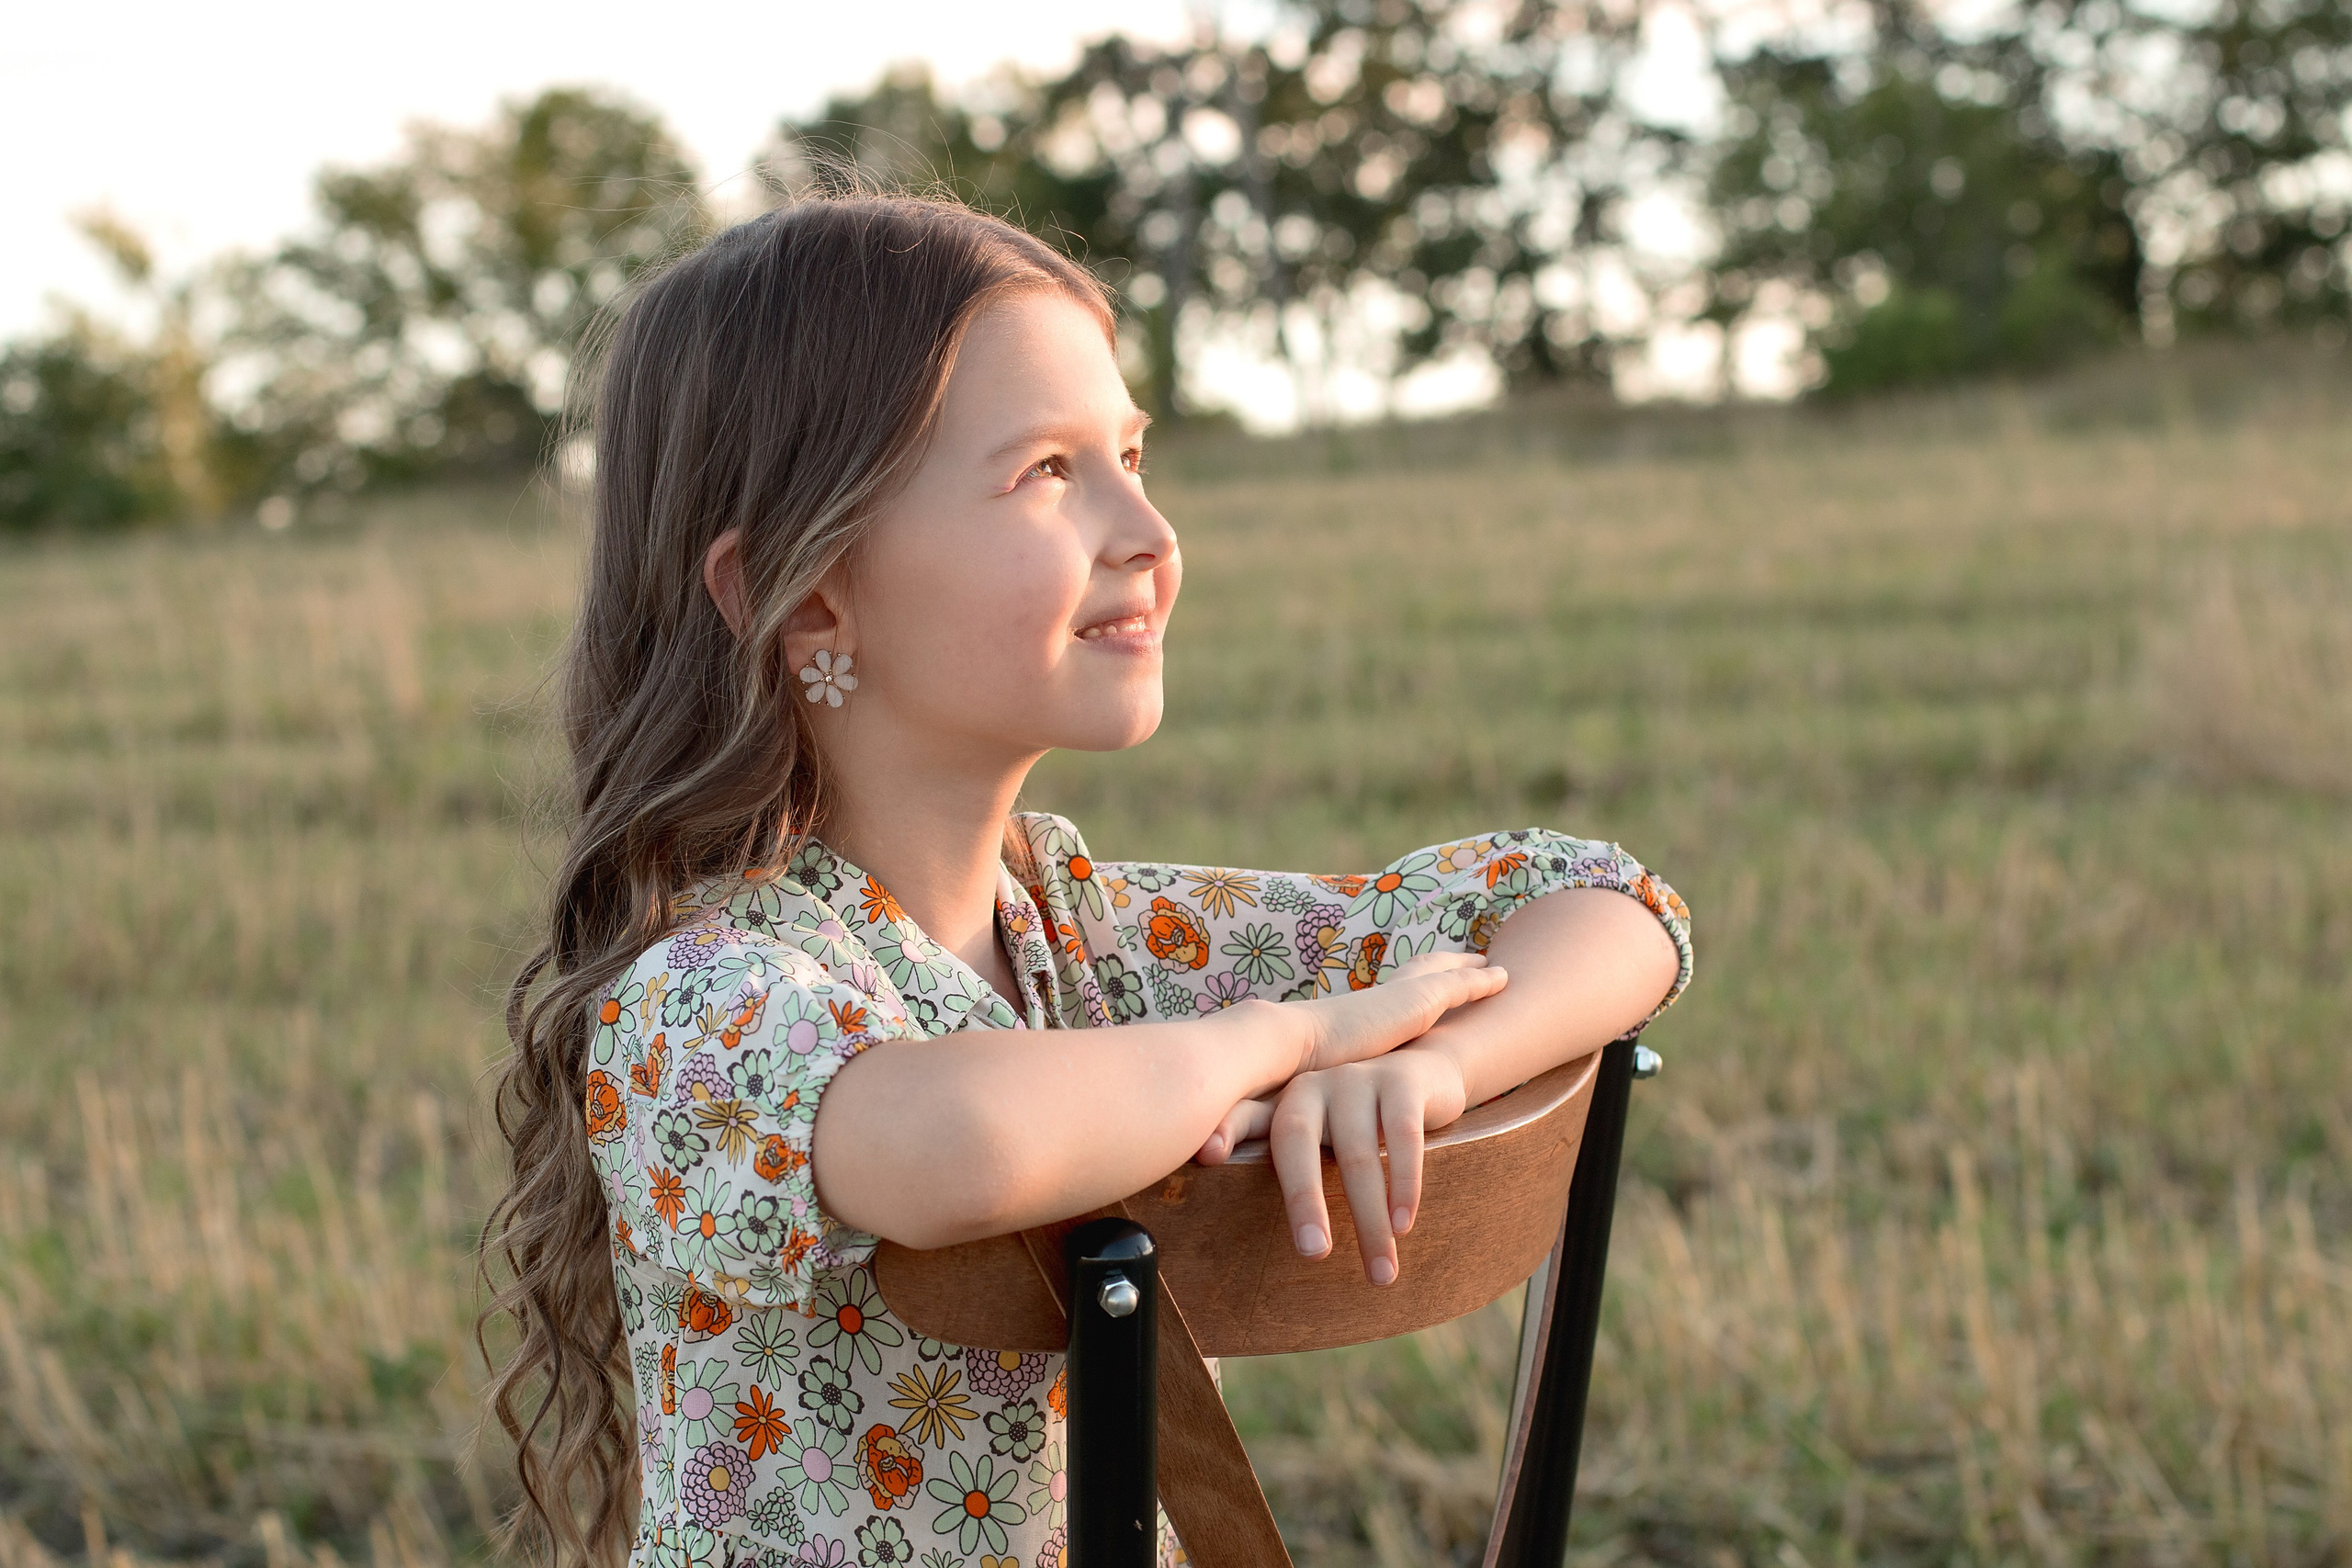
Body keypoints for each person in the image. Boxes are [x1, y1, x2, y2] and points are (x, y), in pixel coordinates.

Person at [481, 184, 1693, 1568]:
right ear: (806, 596)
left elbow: (1614, 905)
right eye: (1049, 473)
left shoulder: (1089, 941)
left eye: (1133, 453)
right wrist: (1290, 1036)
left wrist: (1435, 1069)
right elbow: (956, 1143)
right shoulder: (696, 1005)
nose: (1152, 535)